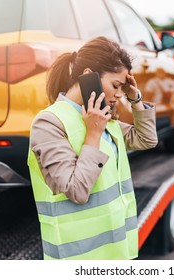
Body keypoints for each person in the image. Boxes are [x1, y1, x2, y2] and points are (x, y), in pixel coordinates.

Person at [27, 36, 158, 259]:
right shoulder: (49, 123)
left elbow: (146, 139)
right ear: (89, 77)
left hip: (116, 251)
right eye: (116, 86)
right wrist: (93, 135)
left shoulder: (105, 118)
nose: (119, 94)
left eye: (123, 86)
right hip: (77, 257)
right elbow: (76, 190)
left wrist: (135, 99)